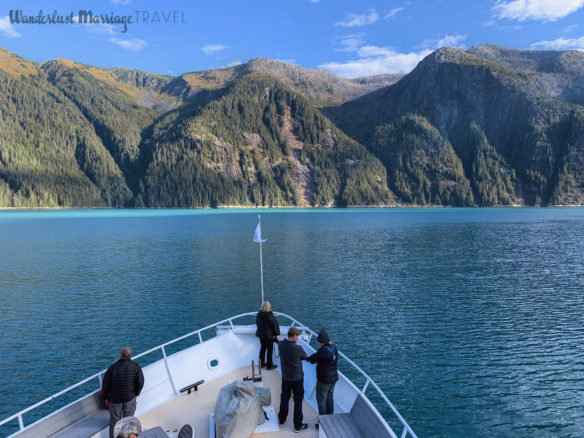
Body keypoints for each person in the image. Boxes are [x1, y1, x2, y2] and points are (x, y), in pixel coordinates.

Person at [102, 347, 145, 438]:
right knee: (129, 421)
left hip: (115, 399)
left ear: (120, 355)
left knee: (114, 422)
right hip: (130, 398)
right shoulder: (135, 366)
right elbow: (140, 382)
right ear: (129, 355)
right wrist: (136, 393)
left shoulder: (112, 368)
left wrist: (105, 397)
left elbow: (105, 384)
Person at [277, 326, 308, 432]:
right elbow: (305, 357)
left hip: (286, 378)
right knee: (298, 400)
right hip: (297, 379)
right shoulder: (298, 348)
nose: (298, 338)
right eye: (297, 336)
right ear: (294, 336)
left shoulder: (281, 345)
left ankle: (281, 420)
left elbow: (277, 341)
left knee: (284, 398)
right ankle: (297, 426)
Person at [308, 329, 339, 421]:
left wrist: (308, 358)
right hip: (333, 378)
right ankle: (330, 417)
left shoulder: (323, 350)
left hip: (324, 380)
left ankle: (323, 421)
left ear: (321, 341)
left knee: (321, 399)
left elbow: (313, 360)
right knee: (330, 397)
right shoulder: (334, 347)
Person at [256, 301, 280, 370]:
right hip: (268, 336)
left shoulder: (259, 314)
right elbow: (274, 325)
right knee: (270, 350)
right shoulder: (270, 315)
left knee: (262, 349)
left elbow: (257, 324)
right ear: (269, 307)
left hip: (261, 335)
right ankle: (269, 365)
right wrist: (277, 334)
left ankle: (261, 364)